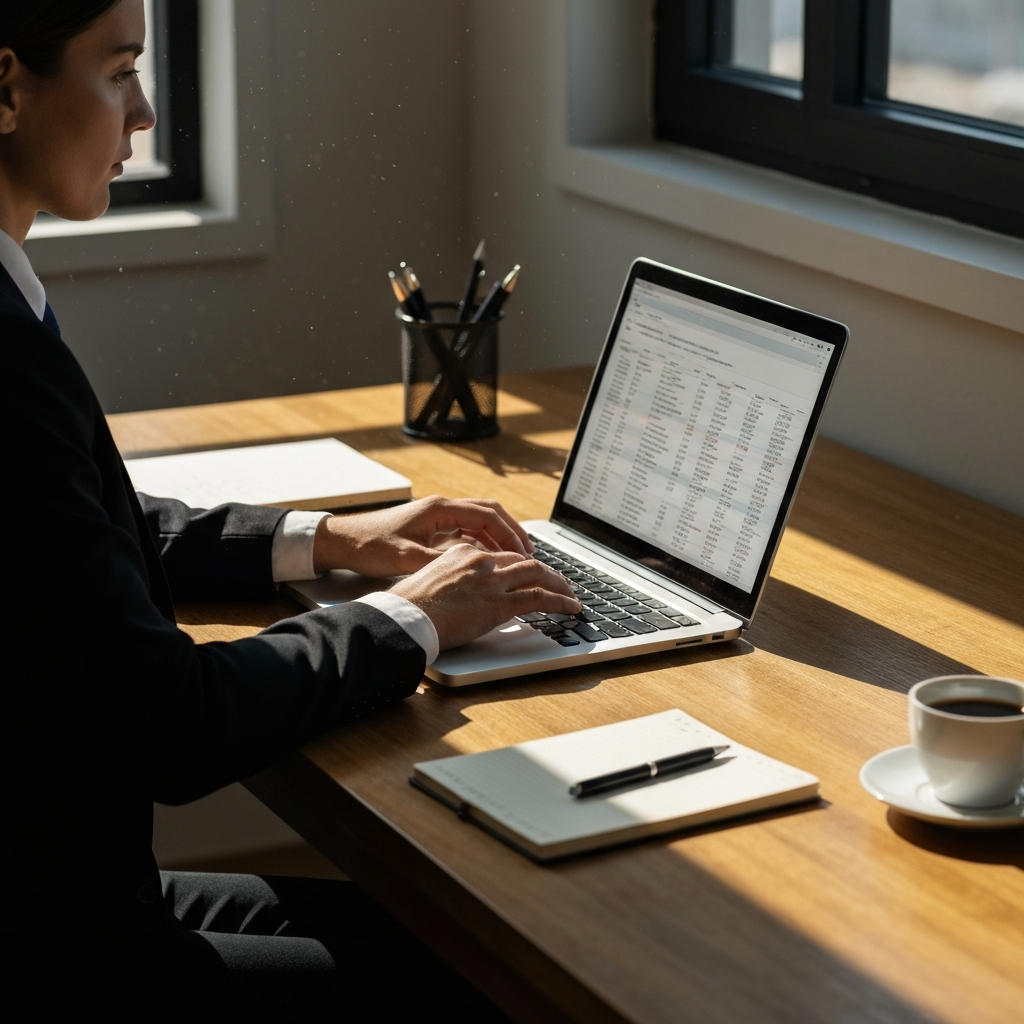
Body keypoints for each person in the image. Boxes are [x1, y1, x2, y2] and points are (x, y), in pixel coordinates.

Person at [0, 2, 581, 1018]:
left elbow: (73, 533)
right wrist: (417, 618)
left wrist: (338, 540)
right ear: (6, 85)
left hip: (69, 902)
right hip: (60, 951)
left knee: (437, 934)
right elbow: (169, 724)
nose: (141, 113)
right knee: (495, 975)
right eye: (121, 69)